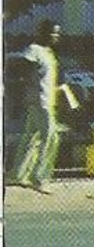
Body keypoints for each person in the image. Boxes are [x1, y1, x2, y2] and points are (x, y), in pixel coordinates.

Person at [9, 21, 65, 194]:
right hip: (40, 101)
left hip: (47, 100)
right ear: (43, 33)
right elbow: (24, 73)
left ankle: (18, 174)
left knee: (31, 138)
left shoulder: (49, 53)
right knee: (51, 138)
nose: (56, 36)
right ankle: (40, 178)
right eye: (53, 33)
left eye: (57, 33)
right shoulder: (34, 50)